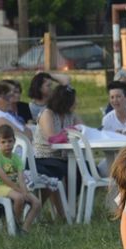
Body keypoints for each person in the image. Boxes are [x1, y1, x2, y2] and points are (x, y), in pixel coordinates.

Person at [33, 84, 80, 217]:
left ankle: (71, 208)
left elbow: (83, 129)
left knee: (84, 168)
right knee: (61, 171)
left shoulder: (70, 115)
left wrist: (79, 130)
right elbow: (51, 138)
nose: (77, 103)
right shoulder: (47, 114)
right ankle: (63, 212)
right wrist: (70, 133)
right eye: (73, 100)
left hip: (64, 157)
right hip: (44, 157)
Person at [0, 125, 41, 232]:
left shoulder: (16, 158)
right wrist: (20, 191)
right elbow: (4, 178)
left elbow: (21, 178)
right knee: (19, 198)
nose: (7, 144)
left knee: (36, 203)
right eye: (3, 142)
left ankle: (25, 229)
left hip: (14, 187)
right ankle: (15, 224)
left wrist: (24, 190)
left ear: (14, 141)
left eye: (10, 141)